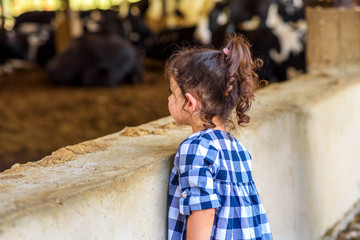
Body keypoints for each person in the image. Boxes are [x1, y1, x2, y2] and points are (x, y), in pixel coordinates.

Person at [166, 33, 272, 240]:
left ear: (190, 102)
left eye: (172, 92)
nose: (169, 98)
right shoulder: (237, 148)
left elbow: (202, 210)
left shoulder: (195, 147)